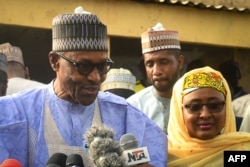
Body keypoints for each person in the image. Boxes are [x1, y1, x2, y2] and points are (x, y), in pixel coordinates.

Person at [0, 6, 167, 167]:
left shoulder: (126, 116)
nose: (95, 77)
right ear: (55, 61)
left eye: (102, 66)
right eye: (83, 66)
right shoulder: (15, 114)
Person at [167, 66, 250, 167]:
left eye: (214, 106)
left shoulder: (241, 152)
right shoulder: (161, 154)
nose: (205, 115)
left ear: (227, 109)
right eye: (194, 107)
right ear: (179, 111)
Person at [127, 22, 184, 134]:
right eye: (150, 64)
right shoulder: (134, 106)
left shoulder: (197, 102)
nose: (156, 71)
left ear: (179, 62)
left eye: (163, 62)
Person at [218, 60, 249, 130]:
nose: (230, 77)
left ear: (239, 75)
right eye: (226, 74)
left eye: (233, 73)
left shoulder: (246, 99)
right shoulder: (216, 97)